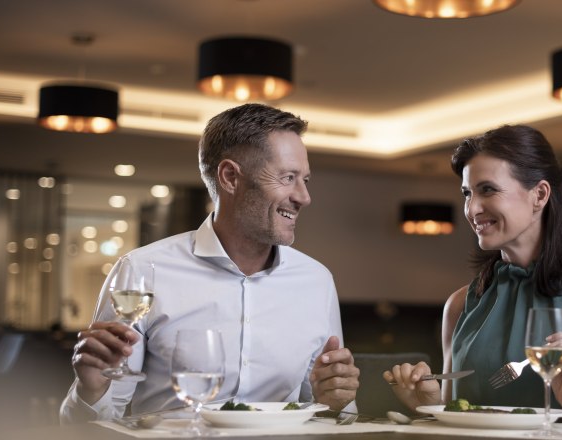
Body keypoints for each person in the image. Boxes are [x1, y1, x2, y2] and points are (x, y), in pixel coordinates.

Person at [60, 103, 359, 423]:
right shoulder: (143, 272)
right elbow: (96, 423)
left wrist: (335, 401)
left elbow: (325, 411)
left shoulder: (316, 280)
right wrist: (90, 391)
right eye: (288, 177)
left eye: (305, 180)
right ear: (230, 177)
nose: (303, 196)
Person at [383, 125, 562, 429]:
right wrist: (431, 406)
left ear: (539, 195)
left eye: (488, 189)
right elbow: (460, 418)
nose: (472, 208)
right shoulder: (459, 305)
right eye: (467, 193)